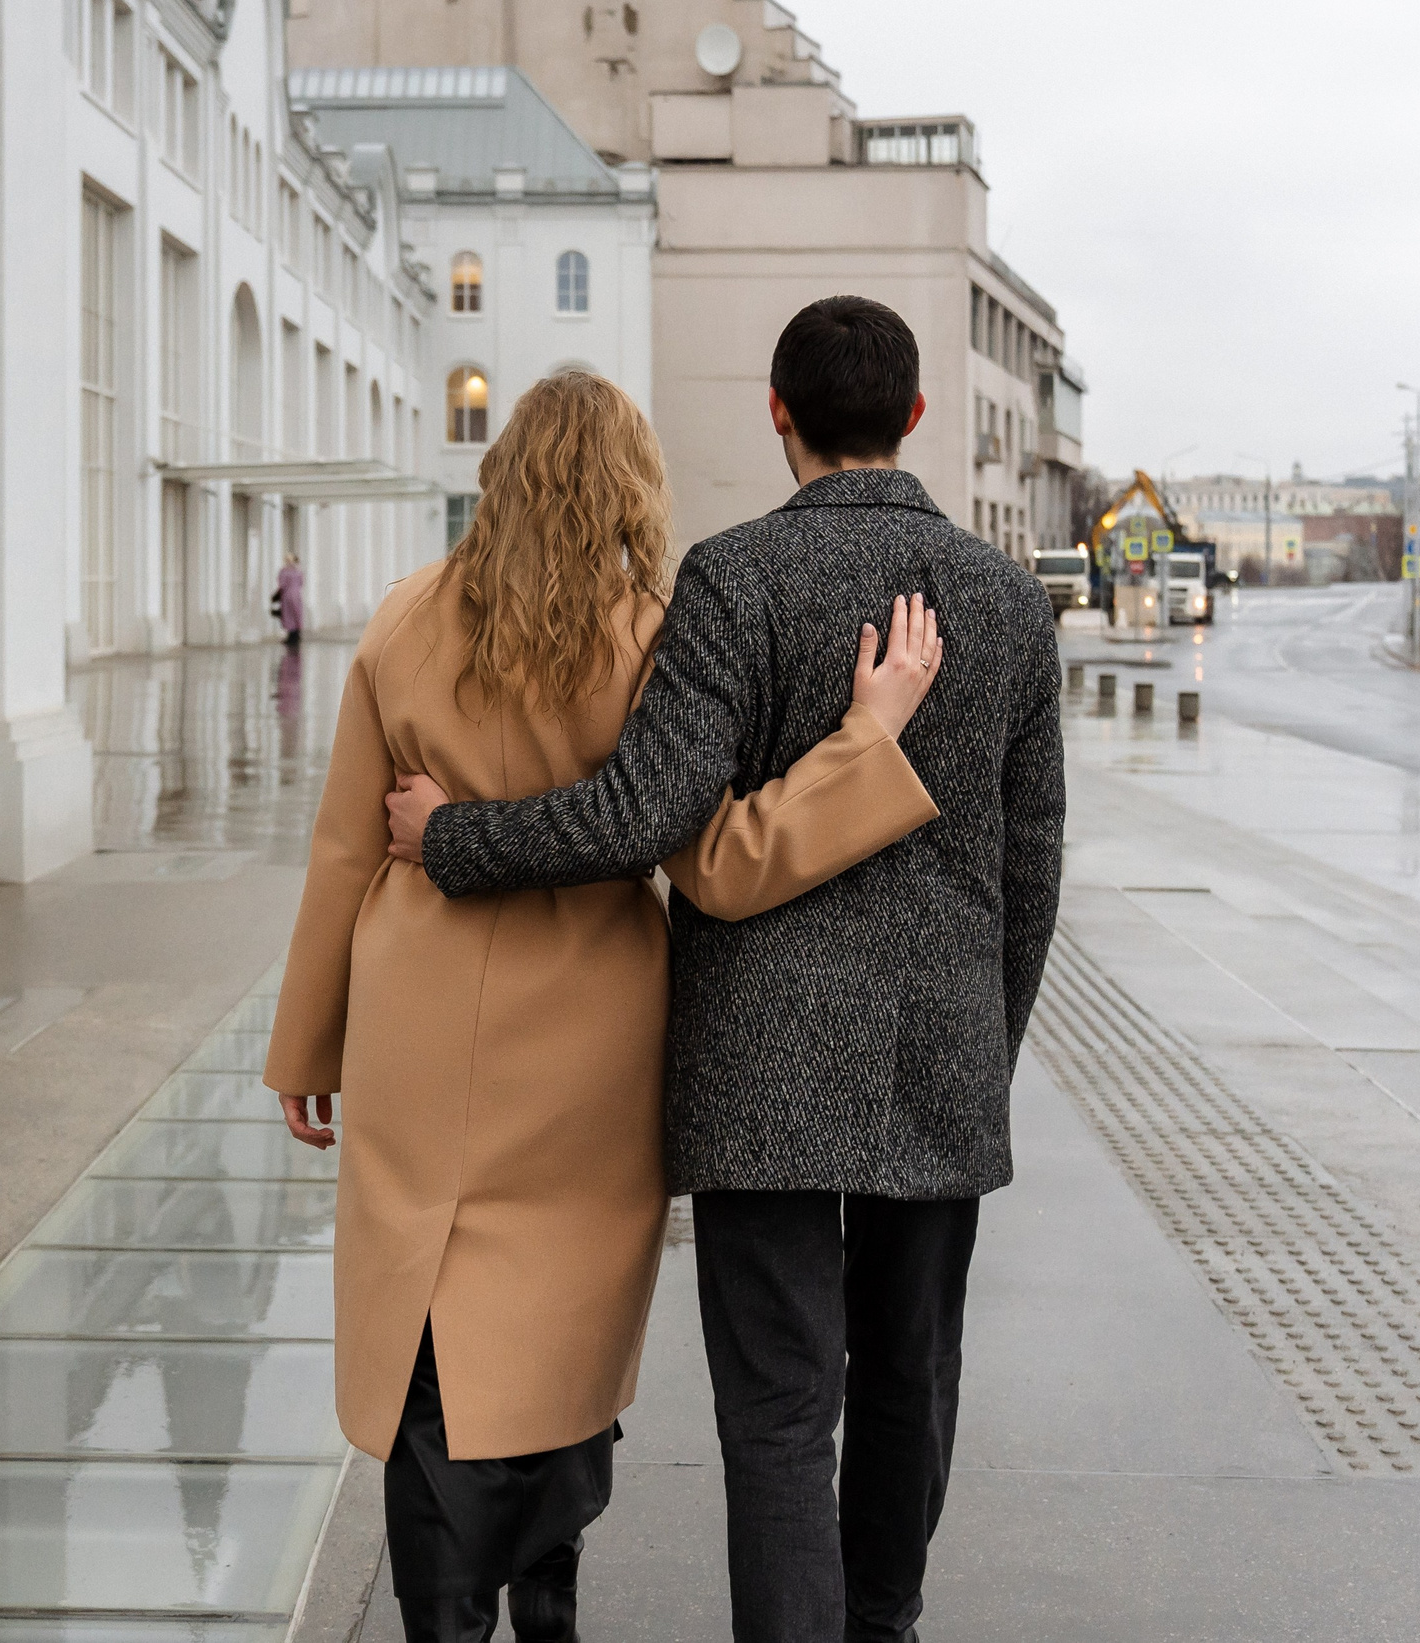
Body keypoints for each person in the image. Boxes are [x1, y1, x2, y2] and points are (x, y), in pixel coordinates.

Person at [386, 299, 1065, 1643]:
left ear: (777, 412)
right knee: (909, 1380)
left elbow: (640, 811)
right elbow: (1030, 863)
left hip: (757, 1064)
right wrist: (983, 1048)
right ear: (915, 415)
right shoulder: (1001, 598)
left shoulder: (733, 579)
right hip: (939, 1051)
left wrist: (452, 837)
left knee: (777, 1409)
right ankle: (883, 1623)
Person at [263, 368, 949, 1643]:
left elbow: (345, 846)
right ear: (632, 485)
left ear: (499, 473)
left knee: (425, 1312)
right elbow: (721, 860)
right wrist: (867, 745)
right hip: (590, 1035)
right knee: (558, 1336)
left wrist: (308, 1044)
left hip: (418, 1013)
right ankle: (547, 1599)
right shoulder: (647, 638)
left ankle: (442, 1607)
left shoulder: (403, 620)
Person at [276, 552, 308, 646]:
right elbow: (301, 583)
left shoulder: (285, 571)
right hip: (295, 594)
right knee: (295, 613)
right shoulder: (297, 571)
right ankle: (295, 634)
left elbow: (282, 584)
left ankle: (292, 635)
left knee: (290, 614)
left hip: (288, 595)